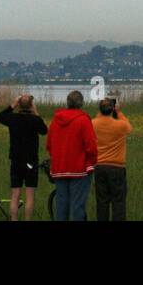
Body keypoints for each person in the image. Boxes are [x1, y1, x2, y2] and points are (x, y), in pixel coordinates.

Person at [46, 90, 97, 222]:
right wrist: (91, 161)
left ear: (67, 103)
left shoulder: (56, 120)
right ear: (81, 103)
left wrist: (56, 159)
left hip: (59, 168)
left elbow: (49, 144)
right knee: (78, 206)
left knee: (61, 206)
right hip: (79, 169)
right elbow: (91, 144)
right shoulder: (83, 120)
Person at [0, 94, 47, 221]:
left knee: (15, 194)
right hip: (31, 161)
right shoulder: (35, 120)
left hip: (16, 159)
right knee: (29, 194)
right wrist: (35, 112)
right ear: (31, 105)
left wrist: (12, 105)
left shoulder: (12, 118)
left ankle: (14, 219)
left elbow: (0, 116)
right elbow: (44, 130)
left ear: (19, 105)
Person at [92, 94, 133, 221]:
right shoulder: (120, 125)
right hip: (117, 167)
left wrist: (100, 113)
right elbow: (129, 128)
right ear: (113, 109)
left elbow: (97, 119)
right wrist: (119, 112)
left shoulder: (93, 123)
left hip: (99, 167)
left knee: (102, 201)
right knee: (118, 202)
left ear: (100, 110)